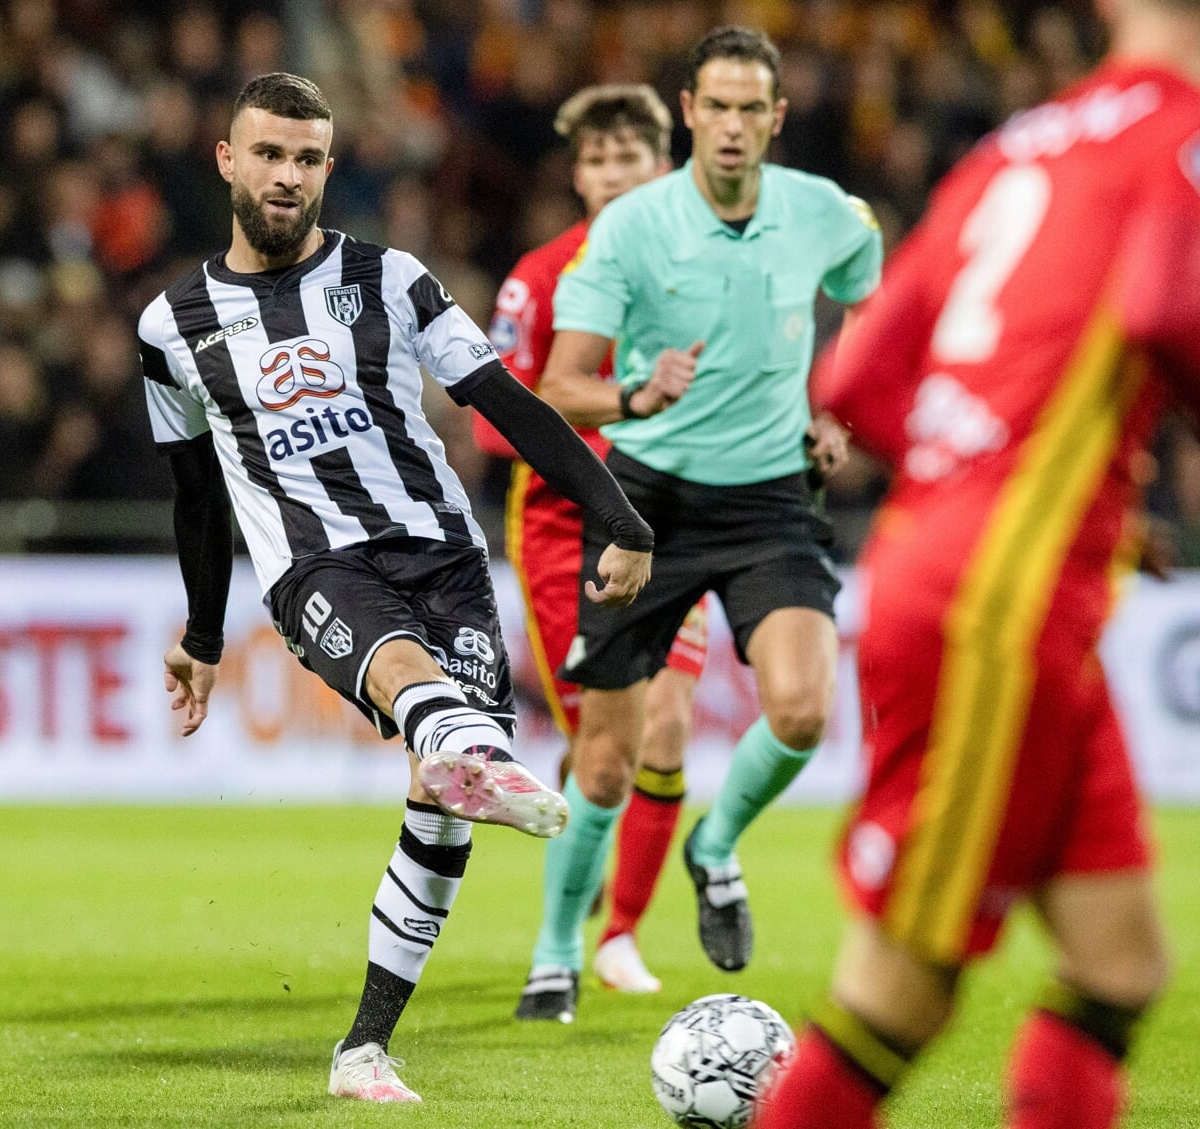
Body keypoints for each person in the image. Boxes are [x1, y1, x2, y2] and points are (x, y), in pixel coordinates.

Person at [753, 2, 1200, 1127]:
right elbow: (1167, 304)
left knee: (1121, 964)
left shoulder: (1014, 146)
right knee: (897, 997)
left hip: (984, 572)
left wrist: (1044, 497)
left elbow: (858, 380)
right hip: (1000, 601)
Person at [139, 73, 654, 1104]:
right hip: (314, 566)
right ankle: (468, 742)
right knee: (435, 712)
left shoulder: (395, 279)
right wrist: (203, 635)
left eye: (307, 158)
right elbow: (197, 497)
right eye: (269, 154)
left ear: (331, 167)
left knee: (441, 807)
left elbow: (506, 399)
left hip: (445, 555)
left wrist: (618, 514)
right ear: (228, 161)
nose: (287, 176)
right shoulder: (170, 325)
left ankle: (363, 1050)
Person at [516, 26, 883, 1023]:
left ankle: (713, 846)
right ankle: (556, 950)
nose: (729, 126)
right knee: (606, 754)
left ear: (775, 117)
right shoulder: (631, 229)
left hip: (770, 502)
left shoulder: (820, 212)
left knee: (805, 710)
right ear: (688, 112)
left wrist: (836, 410)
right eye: (713, 107)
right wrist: (636, 395)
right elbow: (559, 386)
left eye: (748, 109)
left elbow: (866, 289)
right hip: (648, 509)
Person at [470, 84, 708, 1001]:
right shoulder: (539, 275)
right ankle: (571, 913)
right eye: (596, 160)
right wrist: (614, 422)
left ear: (662, 166)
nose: (611, 175)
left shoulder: (701, 264)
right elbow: (497, 416)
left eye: (628, 158)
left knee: (669, 725)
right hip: (566, 522)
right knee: (602, 748)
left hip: (674, 517)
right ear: (577, 174)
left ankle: (615, 936)